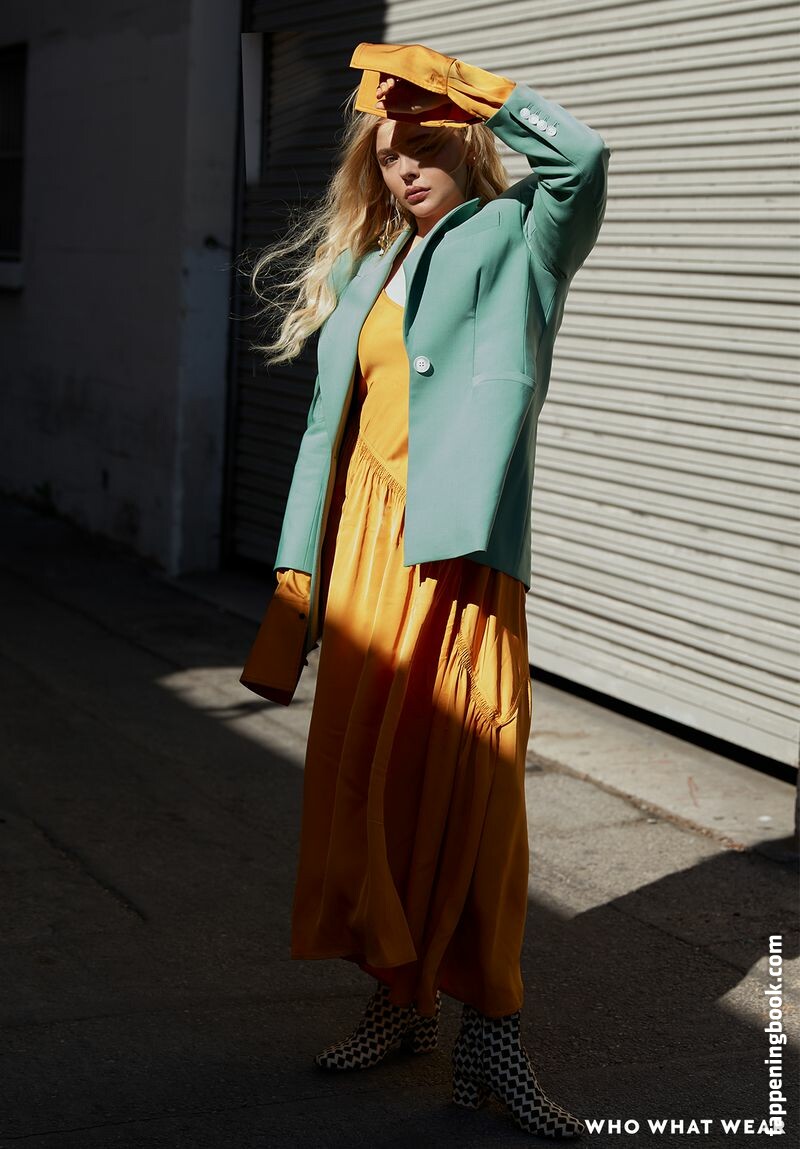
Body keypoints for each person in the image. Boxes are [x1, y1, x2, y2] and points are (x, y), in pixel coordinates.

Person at [240, 40, 610, 1139]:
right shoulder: (368, 268)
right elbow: (330, 429)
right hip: (363, 555)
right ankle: (401, 1002)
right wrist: (297, 577)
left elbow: (582, 159)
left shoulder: (523, 236)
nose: (404, 168)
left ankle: (491, 1028)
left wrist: (467, 91)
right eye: (387, 154)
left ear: (464, 142)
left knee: (473, 790)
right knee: (374, 788)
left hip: (458, 558)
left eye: (423, 146)